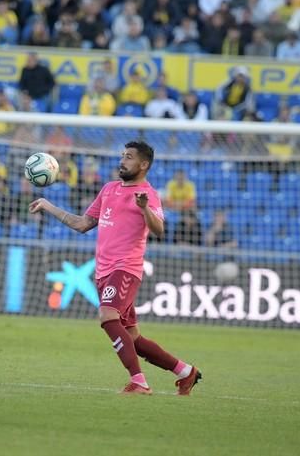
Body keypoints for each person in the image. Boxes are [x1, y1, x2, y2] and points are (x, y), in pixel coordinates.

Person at [28, 141, 201, 395]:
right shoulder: (109, 189)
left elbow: (159, 230)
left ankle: (139, 382)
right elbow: (82, 224)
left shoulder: (148, 194)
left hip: (126, 269)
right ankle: (186, 372)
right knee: (133, 338)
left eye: (129, 157)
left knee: (108, 317)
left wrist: (143, 209)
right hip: (103, 272)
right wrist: (47, 205)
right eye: (122, 155)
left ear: (143, 165)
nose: (122, 161)